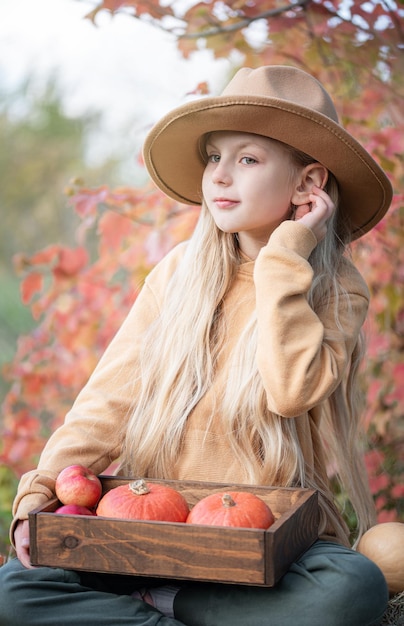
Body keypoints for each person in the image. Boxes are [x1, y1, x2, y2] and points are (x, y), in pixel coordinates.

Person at [0, 65, 393, 626]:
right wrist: (39, 496)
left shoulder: (337, 289)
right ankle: (183, 607)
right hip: (152, 530)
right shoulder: (179, 274)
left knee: (352, 588)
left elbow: (291, 391)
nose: (219, 177)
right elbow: (106, 404)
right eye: (214, 157)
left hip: (265, 543)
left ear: (308, 183)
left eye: (248, 159)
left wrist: (283, 262)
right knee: (12, 592)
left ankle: (166, 608)